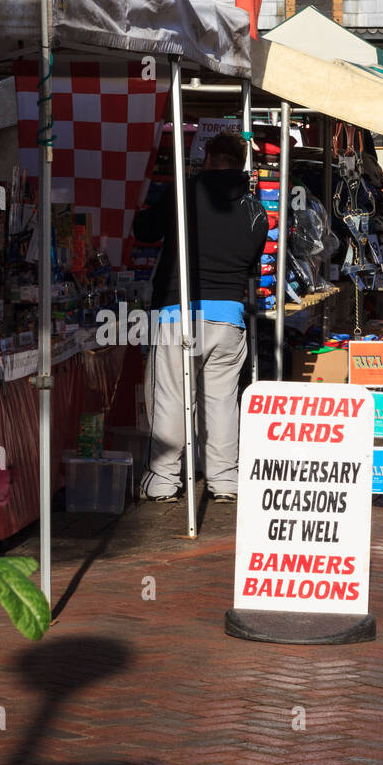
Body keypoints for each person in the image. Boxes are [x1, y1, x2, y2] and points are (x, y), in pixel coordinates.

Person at [133, 130, 268, 503]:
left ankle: (162, 479)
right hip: (229, 317)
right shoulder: (255, 209)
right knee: (223, 402)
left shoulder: (184, 191)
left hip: (180, 310)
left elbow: (143, 230)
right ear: (242, 164)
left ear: (207, 157)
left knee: (172, 399)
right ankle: (225, 479)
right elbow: (253, 257)